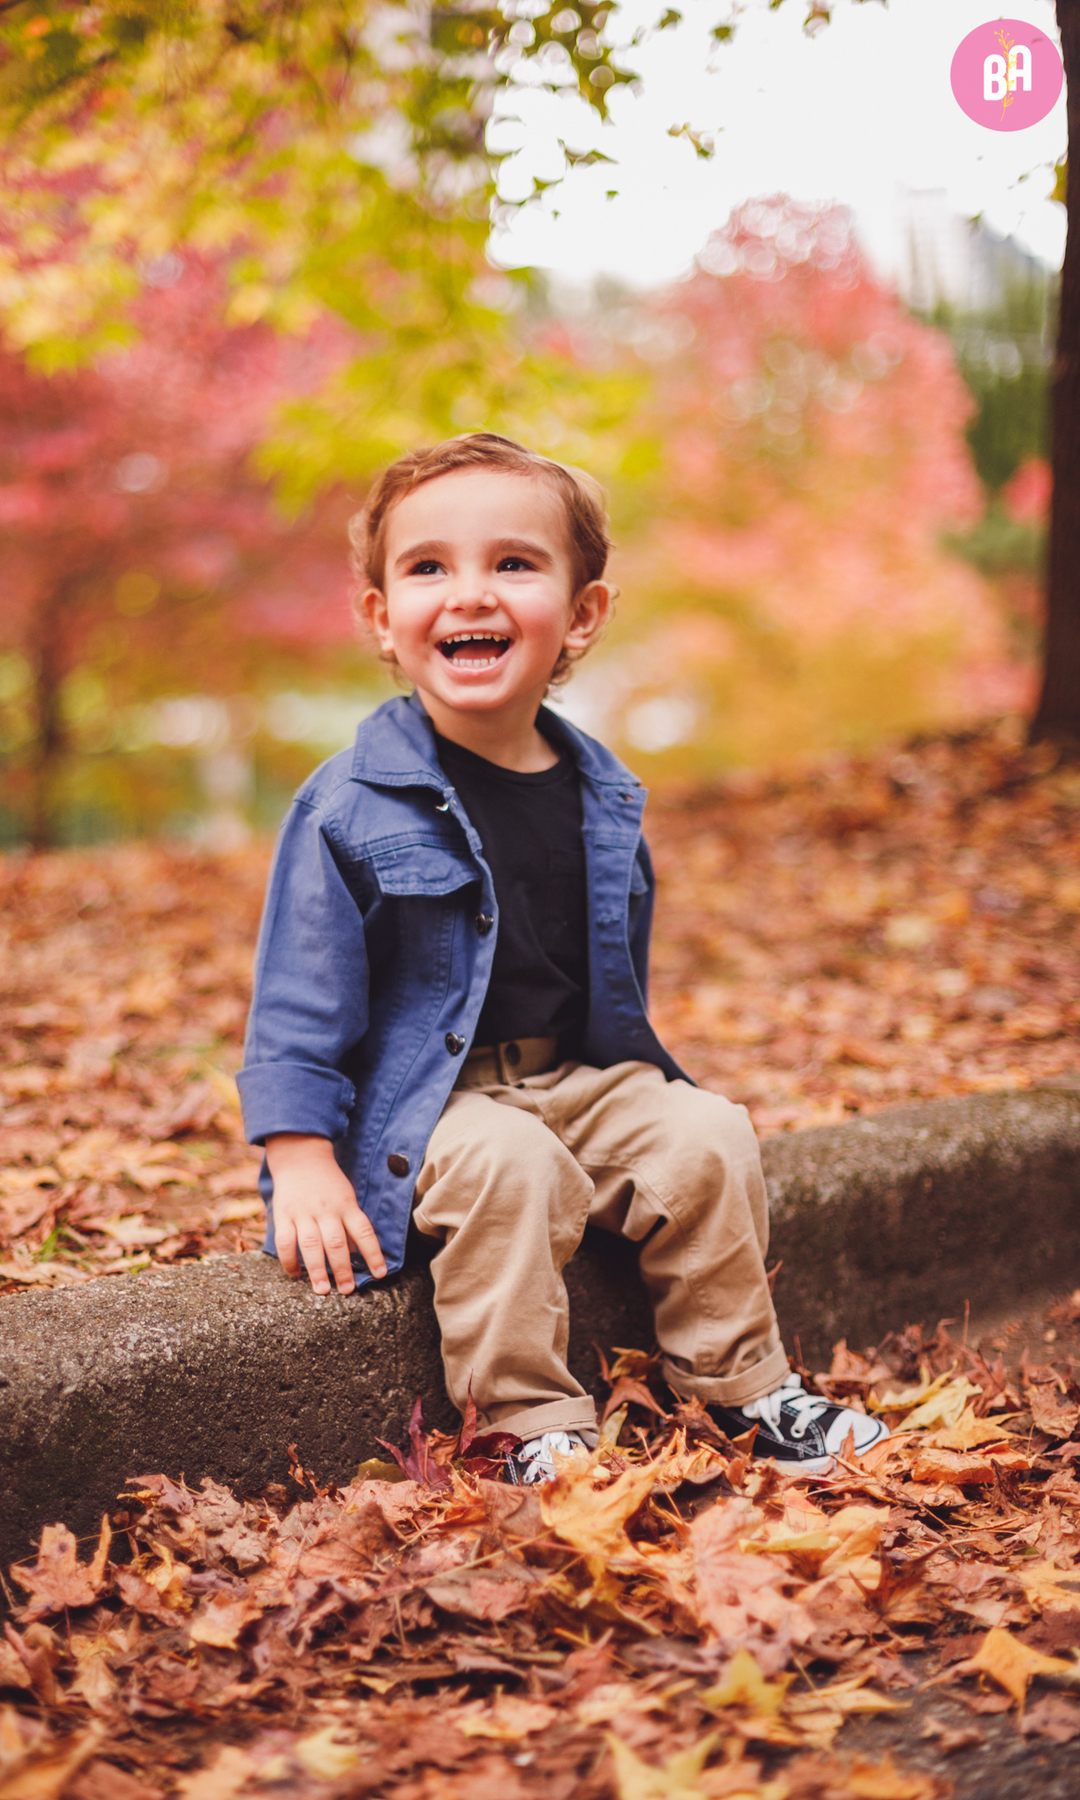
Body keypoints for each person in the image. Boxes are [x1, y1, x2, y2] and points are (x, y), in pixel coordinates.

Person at [238, 431, 887, 1484]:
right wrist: (299, 1153)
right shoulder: (351, 804)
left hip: (566, 1074)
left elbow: (607, 975)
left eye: (514, 563)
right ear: (381, 619)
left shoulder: (603, 795)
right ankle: (531, 1426)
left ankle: (747, 1391)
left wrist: (629, 1092)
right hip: (424, 1107)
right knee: (510, 1161)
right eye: (428, 567)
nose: (470, 594)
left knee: (705, 1131)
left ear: (582, 614)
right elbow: (297, 998)